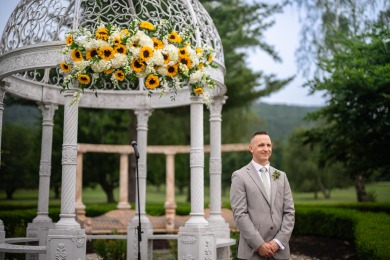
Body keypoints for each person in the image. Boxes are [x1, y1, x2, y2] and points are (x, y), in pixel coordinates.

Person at [230, 131, 295, 260]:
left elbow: (289, 212)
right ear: (251, 148)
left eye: (268, 145)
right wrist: (259, 244)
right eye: (261, 145)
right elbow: (240, 214)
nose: (266, 149)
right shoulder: (240, 176)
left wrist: (278, 242)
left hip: (280, 252)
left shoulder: (281, 176)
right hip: (252, 252)